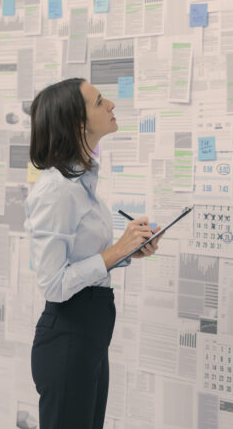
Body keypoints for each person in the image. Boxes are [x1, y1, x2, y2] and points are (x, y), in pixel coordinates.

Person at [24, 77, 163, 429]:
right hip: (69, 338)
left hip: (90, 337)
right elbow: (53, 283)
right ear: (78, 124)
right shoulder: (56, 190)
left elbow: (82, 263)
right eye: (100, 101)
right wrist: (116, 249)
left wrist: (128, 252)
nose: (112, 104)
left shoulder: (83, 184)